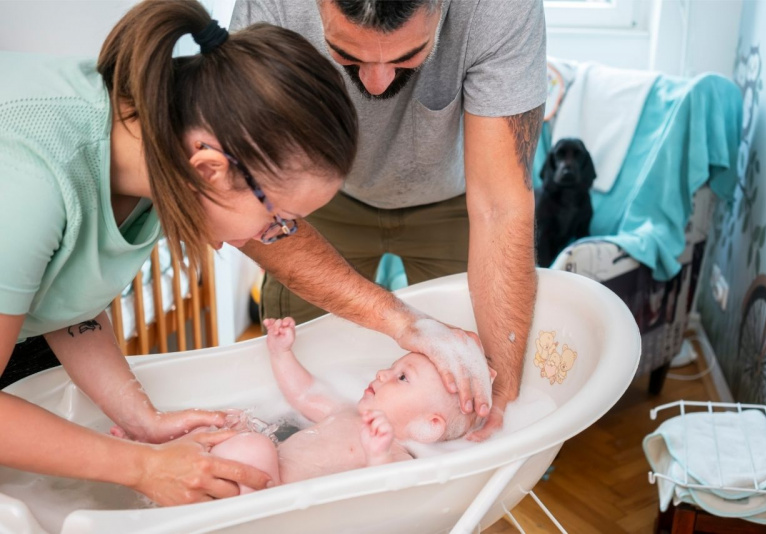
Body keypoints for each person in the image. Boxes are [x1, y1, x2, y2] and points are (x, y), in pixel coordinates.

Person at [0, 0, 487, 506]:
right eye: (278, 219)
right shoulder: (27, 182)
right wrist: (143, 468)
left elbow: (63, 297)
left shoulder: (149, 162)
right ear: (211, 168)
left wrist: (141, 420)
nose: (276, 237)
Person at [231, 0, 547, 440]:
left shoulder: (500, 10)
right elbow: (248, 204)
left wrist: (503, 401)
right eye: (345, 54)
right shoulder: (278, 7)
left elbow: (500, 204)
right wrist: (404, 322)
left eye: (408, 57)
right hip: (315, 202)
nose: (376, 85)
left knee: (467, 370)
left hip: (459, 201)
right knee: (299, 358)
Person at [207, 316, 495, 493]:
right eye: (391, 368)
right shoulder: (347, 410)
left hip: (283, 505)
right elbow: (304, 393)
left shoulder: (394, 454)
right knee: (227, 434)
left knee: (252, 446)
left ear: (427, 426)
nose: (382, 374)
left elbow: (387, 499)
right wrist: (281, 354)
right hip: (260, 480)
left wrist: (377, 458)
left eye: (402, 377)